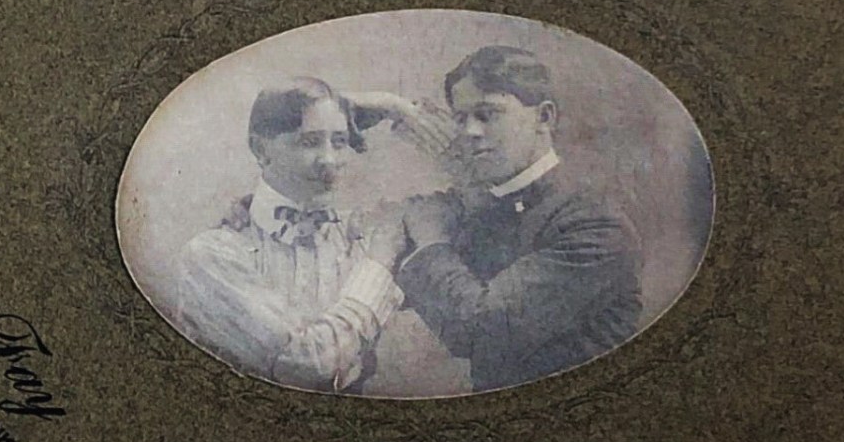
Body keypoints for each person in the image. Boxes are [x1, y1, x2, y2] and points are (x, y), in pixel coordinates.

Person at [361, 46, 643, 392]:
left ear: (544, 118)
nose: (470, 131)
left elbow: (481, 331)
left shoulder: (594, 223)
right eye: (461, 119)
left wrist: (432, 243)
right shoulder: (479, 206)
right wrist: (347, 107)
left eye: (488, 114)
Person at [174, 77, 407, 394]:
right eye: (309, 142)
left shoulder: (360, 234)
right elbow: (303, 366)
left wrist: (397, 107)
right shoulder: (211, 254)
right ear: (260, 149)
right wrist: (378, 267)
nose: (329, 160)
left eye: (339, 141)